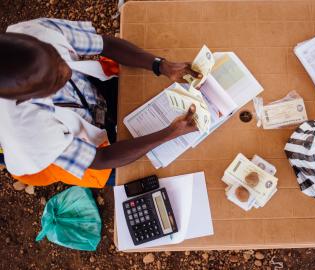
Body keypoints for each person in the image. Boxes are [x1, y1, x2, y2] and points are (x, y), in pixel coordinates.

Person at [0, 18, 201, 188]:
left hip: (95, 97)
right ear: (30, 96)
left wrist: (162, 66)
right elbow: (101, 159)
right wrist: (170, 133)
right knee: (135, 175)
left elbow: (105, 45)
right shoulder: (31, 135)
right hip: (93, 152)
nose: (66, 71)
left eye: (58, 59)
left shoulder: (39, 32)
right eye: (55, 80)